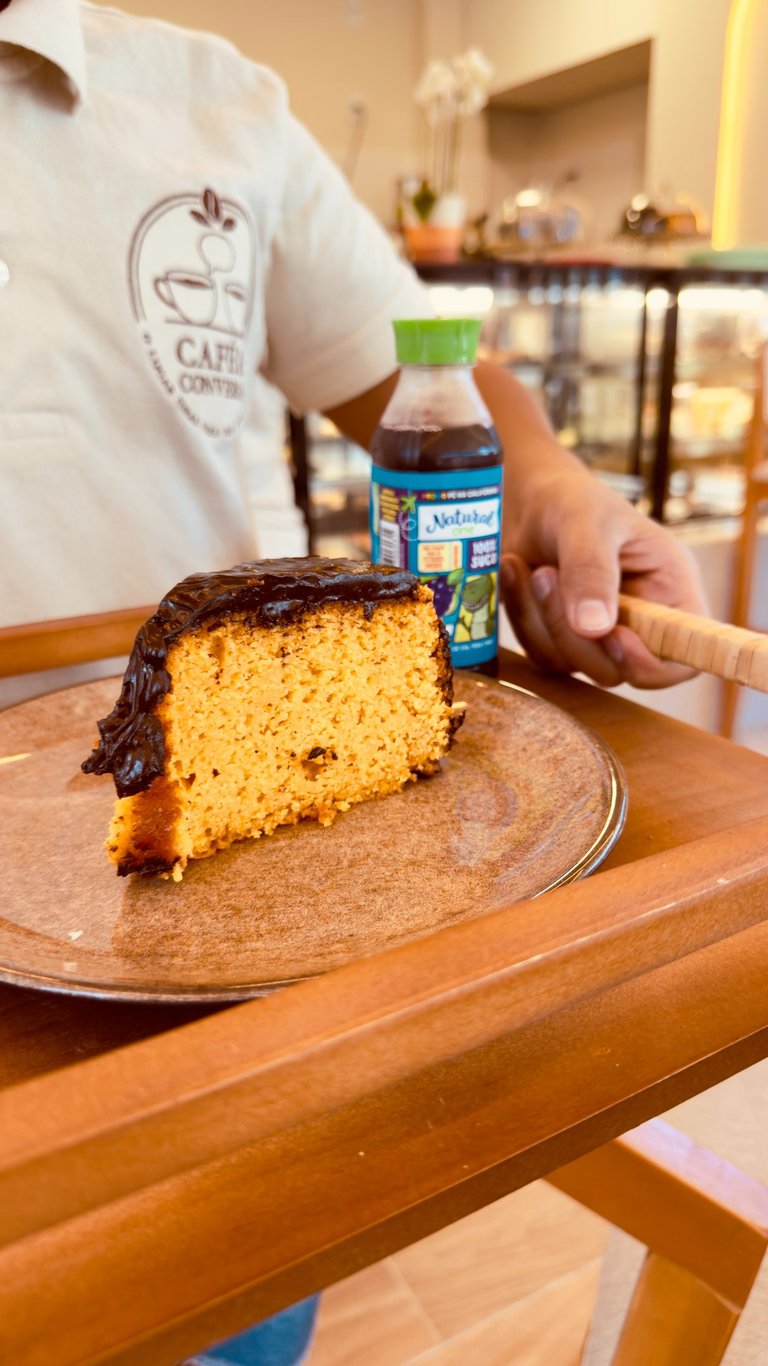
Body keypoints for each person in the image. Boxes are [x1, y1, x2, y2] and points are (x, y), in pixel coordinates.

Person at [0, 2, 708, 1363]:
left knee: (234, 1294)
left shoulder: (209, 99)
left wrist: (550, 494)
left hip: (240, 922)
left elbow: (422, 373)